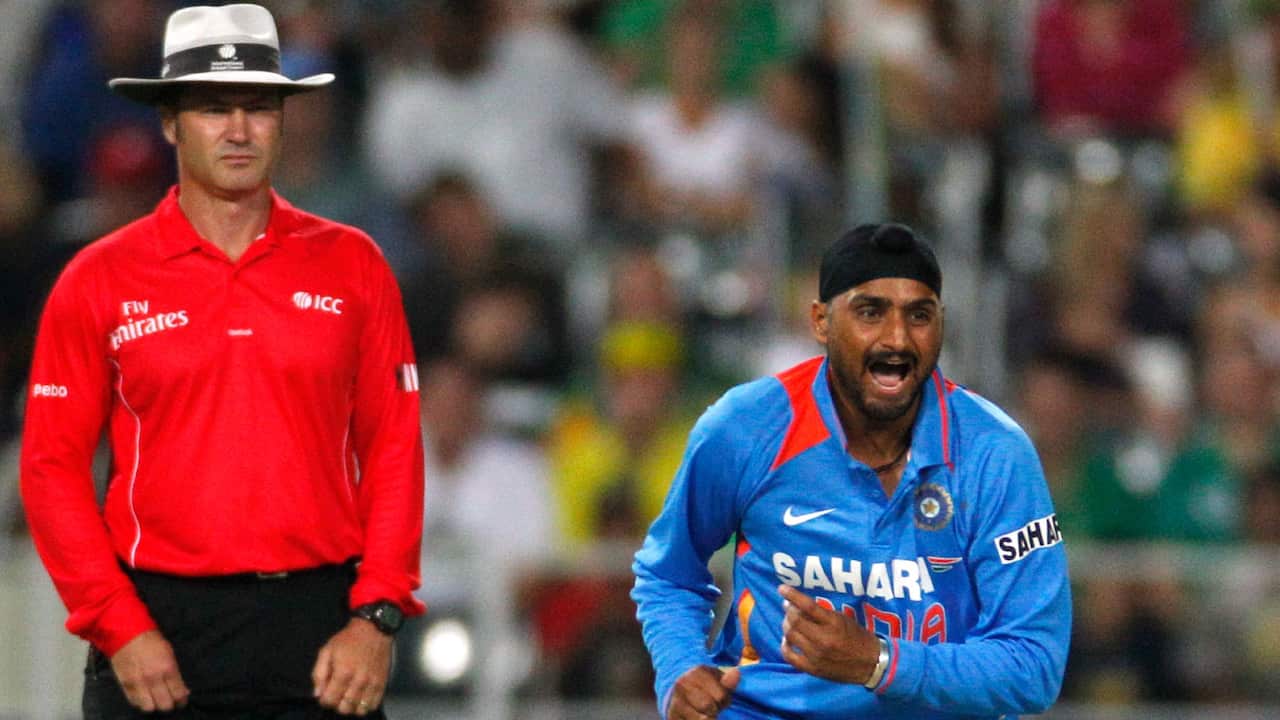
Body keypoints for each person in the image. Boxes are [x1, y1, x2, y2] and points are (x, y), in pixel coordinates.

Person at [19, 5, 424, 718]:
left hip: (322, 631)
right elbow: (51, 468)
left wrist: (376, 618)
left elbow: (393, 448)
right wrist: (119, 625)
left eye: (258, 107)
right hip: (157, 631)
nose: (239, 130)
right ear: (170, 122)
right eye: (213, 107)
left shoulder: (354, 264)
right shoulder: (97, 280)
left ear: (282, 119)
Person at [631, 223, 1071, 719]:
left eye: (919, 316)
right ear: (821, 322)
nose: (897, 339)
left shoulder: (996, 455)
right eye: (870, 312)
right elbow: (667, 574)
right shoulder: (746, 428)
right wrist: (681, 670)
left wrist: (878, 662)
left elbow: (1034, 666)